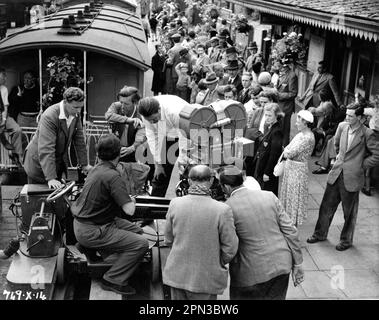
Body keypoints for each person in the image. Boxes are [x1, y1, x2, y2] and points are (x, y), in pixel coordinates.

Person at [72, 134, 148, 295]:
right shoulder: (113, 176)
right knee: (141, 243)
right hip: (93, 230)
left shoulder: (96, 170)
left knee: (138, 232)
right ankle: (113, 279)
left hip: (85, 225)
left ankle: (104, 255)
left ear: (98, 153)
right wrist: (131, 200)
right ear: (119, 153)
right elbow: (129, 211)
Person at [219, 165, 304, 300]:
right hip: (281, 265)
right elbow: (291, 231)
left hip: (250, 274)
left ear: (227, 187)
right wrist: (298, 263)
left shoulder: (227, 208)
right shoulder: (269, 196)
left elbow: (229, 246)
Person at [307, 103, 379, 251]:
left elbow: (376, 155)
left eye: (350, 116)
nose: (347, 117)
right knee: (326, 206)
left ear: (360, 118)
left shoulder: (367, 133)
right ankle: (319, 234)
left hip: (352, 177)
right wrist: (339, 160)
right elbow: (336, 144)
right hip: (336, 173)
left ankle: (346, 241)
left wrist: (360, 165)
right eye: (346, 114)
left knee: (349, 213)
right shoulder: (342, 126)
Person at [163, 165, 238, 300]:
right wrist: (215, 260)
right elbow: (230, 248)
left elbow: (168, 239)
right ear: (210, 181)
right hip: (206, 278)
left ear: (190, 181)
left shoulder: (175, 204)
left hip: (177, 275)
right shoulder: (222, 210)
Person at [23, 87, 92, 188]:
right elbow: (46, 148)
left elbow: (79, 140)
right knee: (37, 198)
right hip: (38, 164)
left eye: (80, 107)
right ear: (65, 102)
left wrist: (84, 164)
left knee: (56, 199)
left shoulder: (75, 114)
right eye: (75, 107)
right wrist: (51, 178)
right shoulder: (49, 116)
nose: (78, 111)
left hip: (55, 163)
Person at [138, 95, 191, 197]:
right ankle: (154, 203)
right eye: (149, 120)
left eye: (154, 119)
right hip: (167, 134)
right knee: (160, 174)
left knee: (186, 173)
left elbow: (184, 137)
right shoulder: (145, 113)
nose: (152, 122)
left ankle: (185, 202)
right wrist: (158, 163)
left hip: (188, 132)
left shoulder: (174, 111)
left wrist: (182, 160)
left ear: (159, 110)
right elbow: (152, 137)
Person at [279, 110, 315, 227]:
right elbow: (288, 149)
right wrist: (287, 151)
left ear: (306, 123)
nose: (296, 124)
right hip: (292, 168)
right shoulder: (301, 135)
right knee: (288, 197)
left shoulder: (307, 138)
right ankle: (288, 225)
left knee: (294, 198)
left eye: (299, 121)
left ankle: (292, 227)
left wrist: (286, 151)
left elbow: (289, 152)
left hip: (297, 171)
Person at [104, 86, 145, 163]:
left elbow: (141, 134)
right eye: (121, 102)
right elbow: (108, 115)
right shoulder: (116, 106)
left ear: (135, 103)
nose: (122, 106)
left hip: (133, 150)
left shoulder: (141, 114)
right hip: (115, 149)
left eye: (126, 104)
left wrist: (132, 147)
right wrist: (128, 120)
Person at [251, 103, 284, 195]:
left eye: (270, 115)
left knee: (267, 194)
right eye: (266, 115)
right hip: (262, 166)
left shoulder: (277, 131)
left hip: (267, 171)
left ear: (277, 116)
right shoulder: (271, 127)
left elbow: (274, 154)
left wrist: (267, 172)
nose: (267, 118)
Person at [0, 68, 23, 167]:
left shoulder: (3, 89)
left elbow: (5, 106)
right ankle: (3, 140)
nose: (5, 78)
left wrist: (4, 120)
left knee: (17, 130)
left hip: (3, 115)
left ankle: (15, 154)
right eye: (3, 75)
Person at [276, 60, 298, 147]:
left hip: (286, 107)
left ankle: (284, 150)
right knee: (278, 129)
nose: (274, 64)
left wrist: (278, 94)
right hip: (279, 105)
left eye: (276, 62)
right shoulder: (281, 73)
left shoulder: (292, 75)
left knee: (285, 130)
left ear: (283, 64)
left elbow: (293, 93)